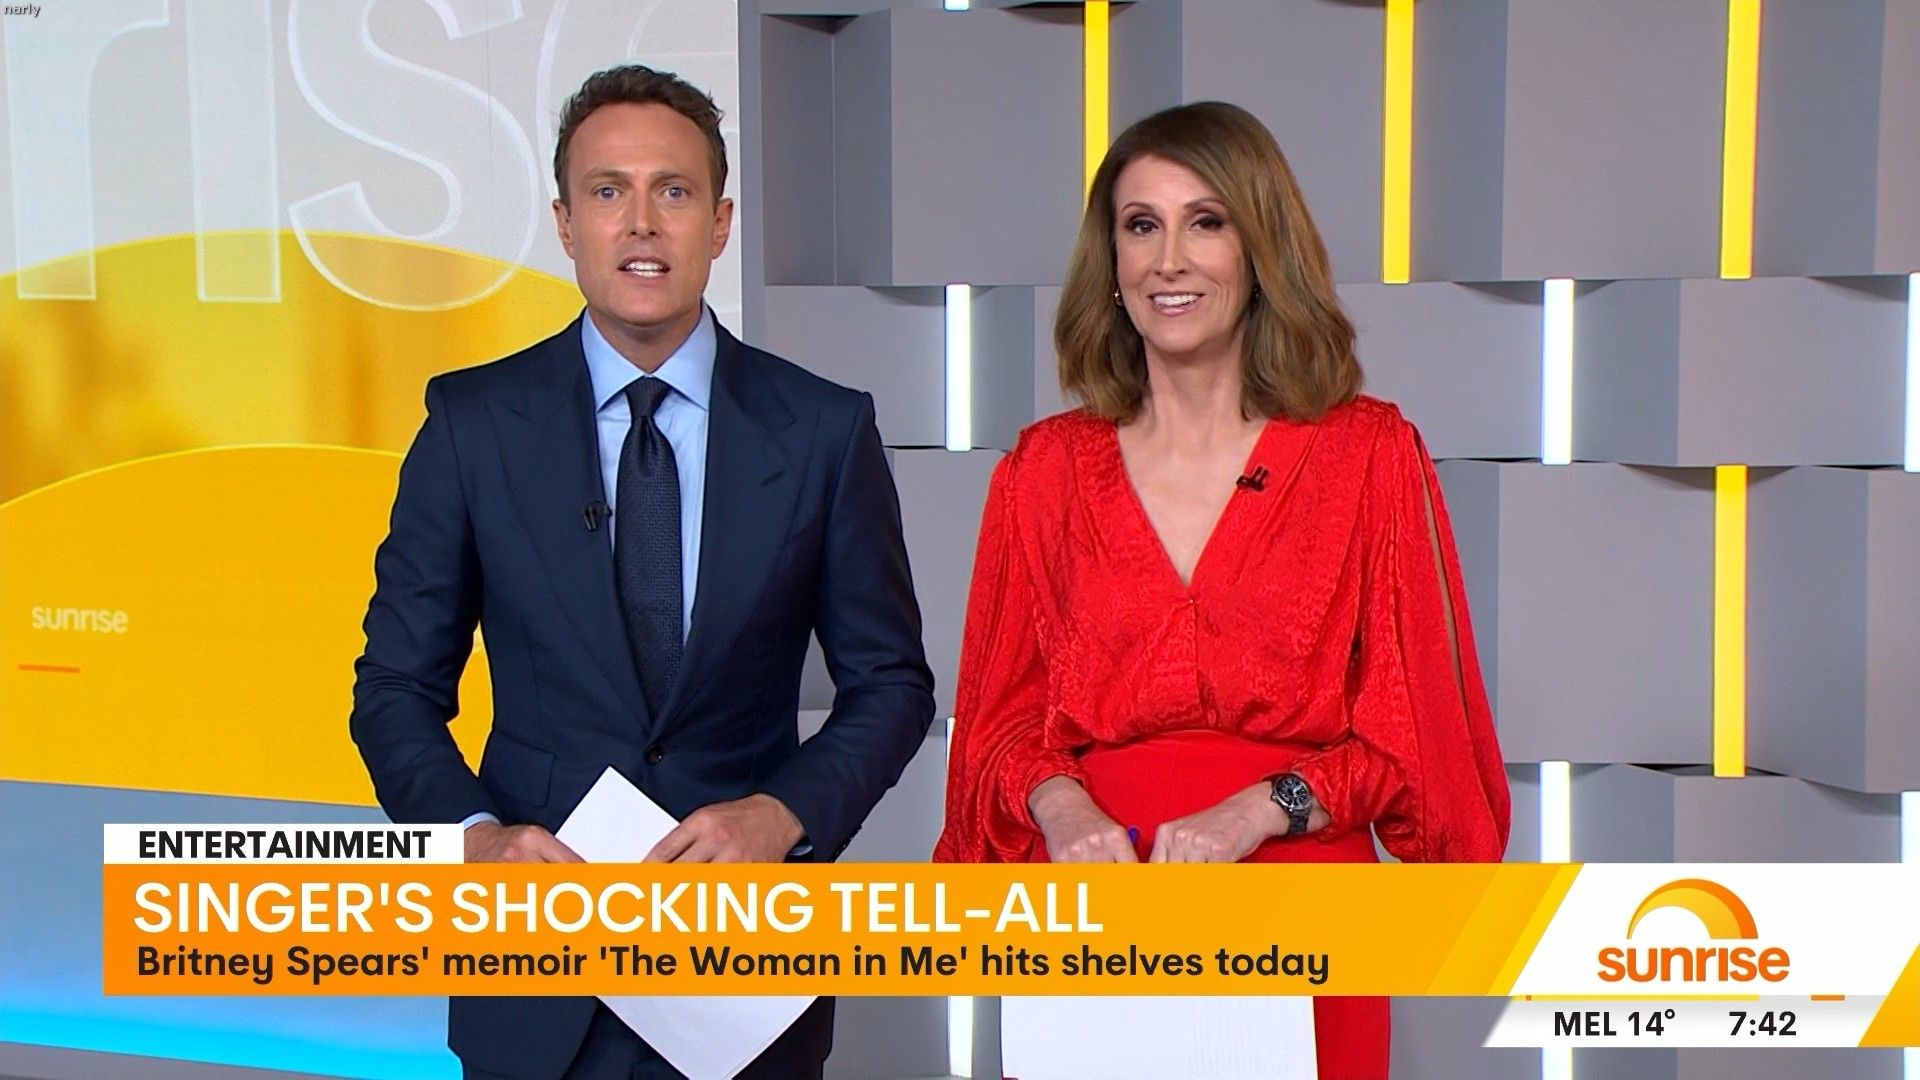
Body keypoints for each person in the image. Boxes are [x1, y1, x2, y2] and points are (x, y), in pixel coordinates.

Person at [351, 64, 936, 1079]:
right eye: (607, 191)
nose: (640, 224)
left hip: (743, 966)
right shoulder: (473, 425)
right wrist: (477, 841)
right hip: (536, 965)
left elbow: (891, 685)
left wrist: (781, 817)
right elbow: (394, 689)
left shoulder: (824, 429)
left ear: (720, 223)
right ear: (565, 223)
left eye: (673, 190)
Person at [932, 101, 1509, 1078]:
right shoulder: (1044, 471)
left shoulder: (1367, 455)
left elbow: (1412, 736)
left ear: (1260, 247)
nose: (1169, 260)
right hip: (1097, 915)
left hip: (1302, 912)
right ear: (1111, 260)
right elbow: (998, 726)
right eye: (1140, 225)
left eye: (1206, 222)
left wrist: (1260, 809)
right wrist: (1064, 810)